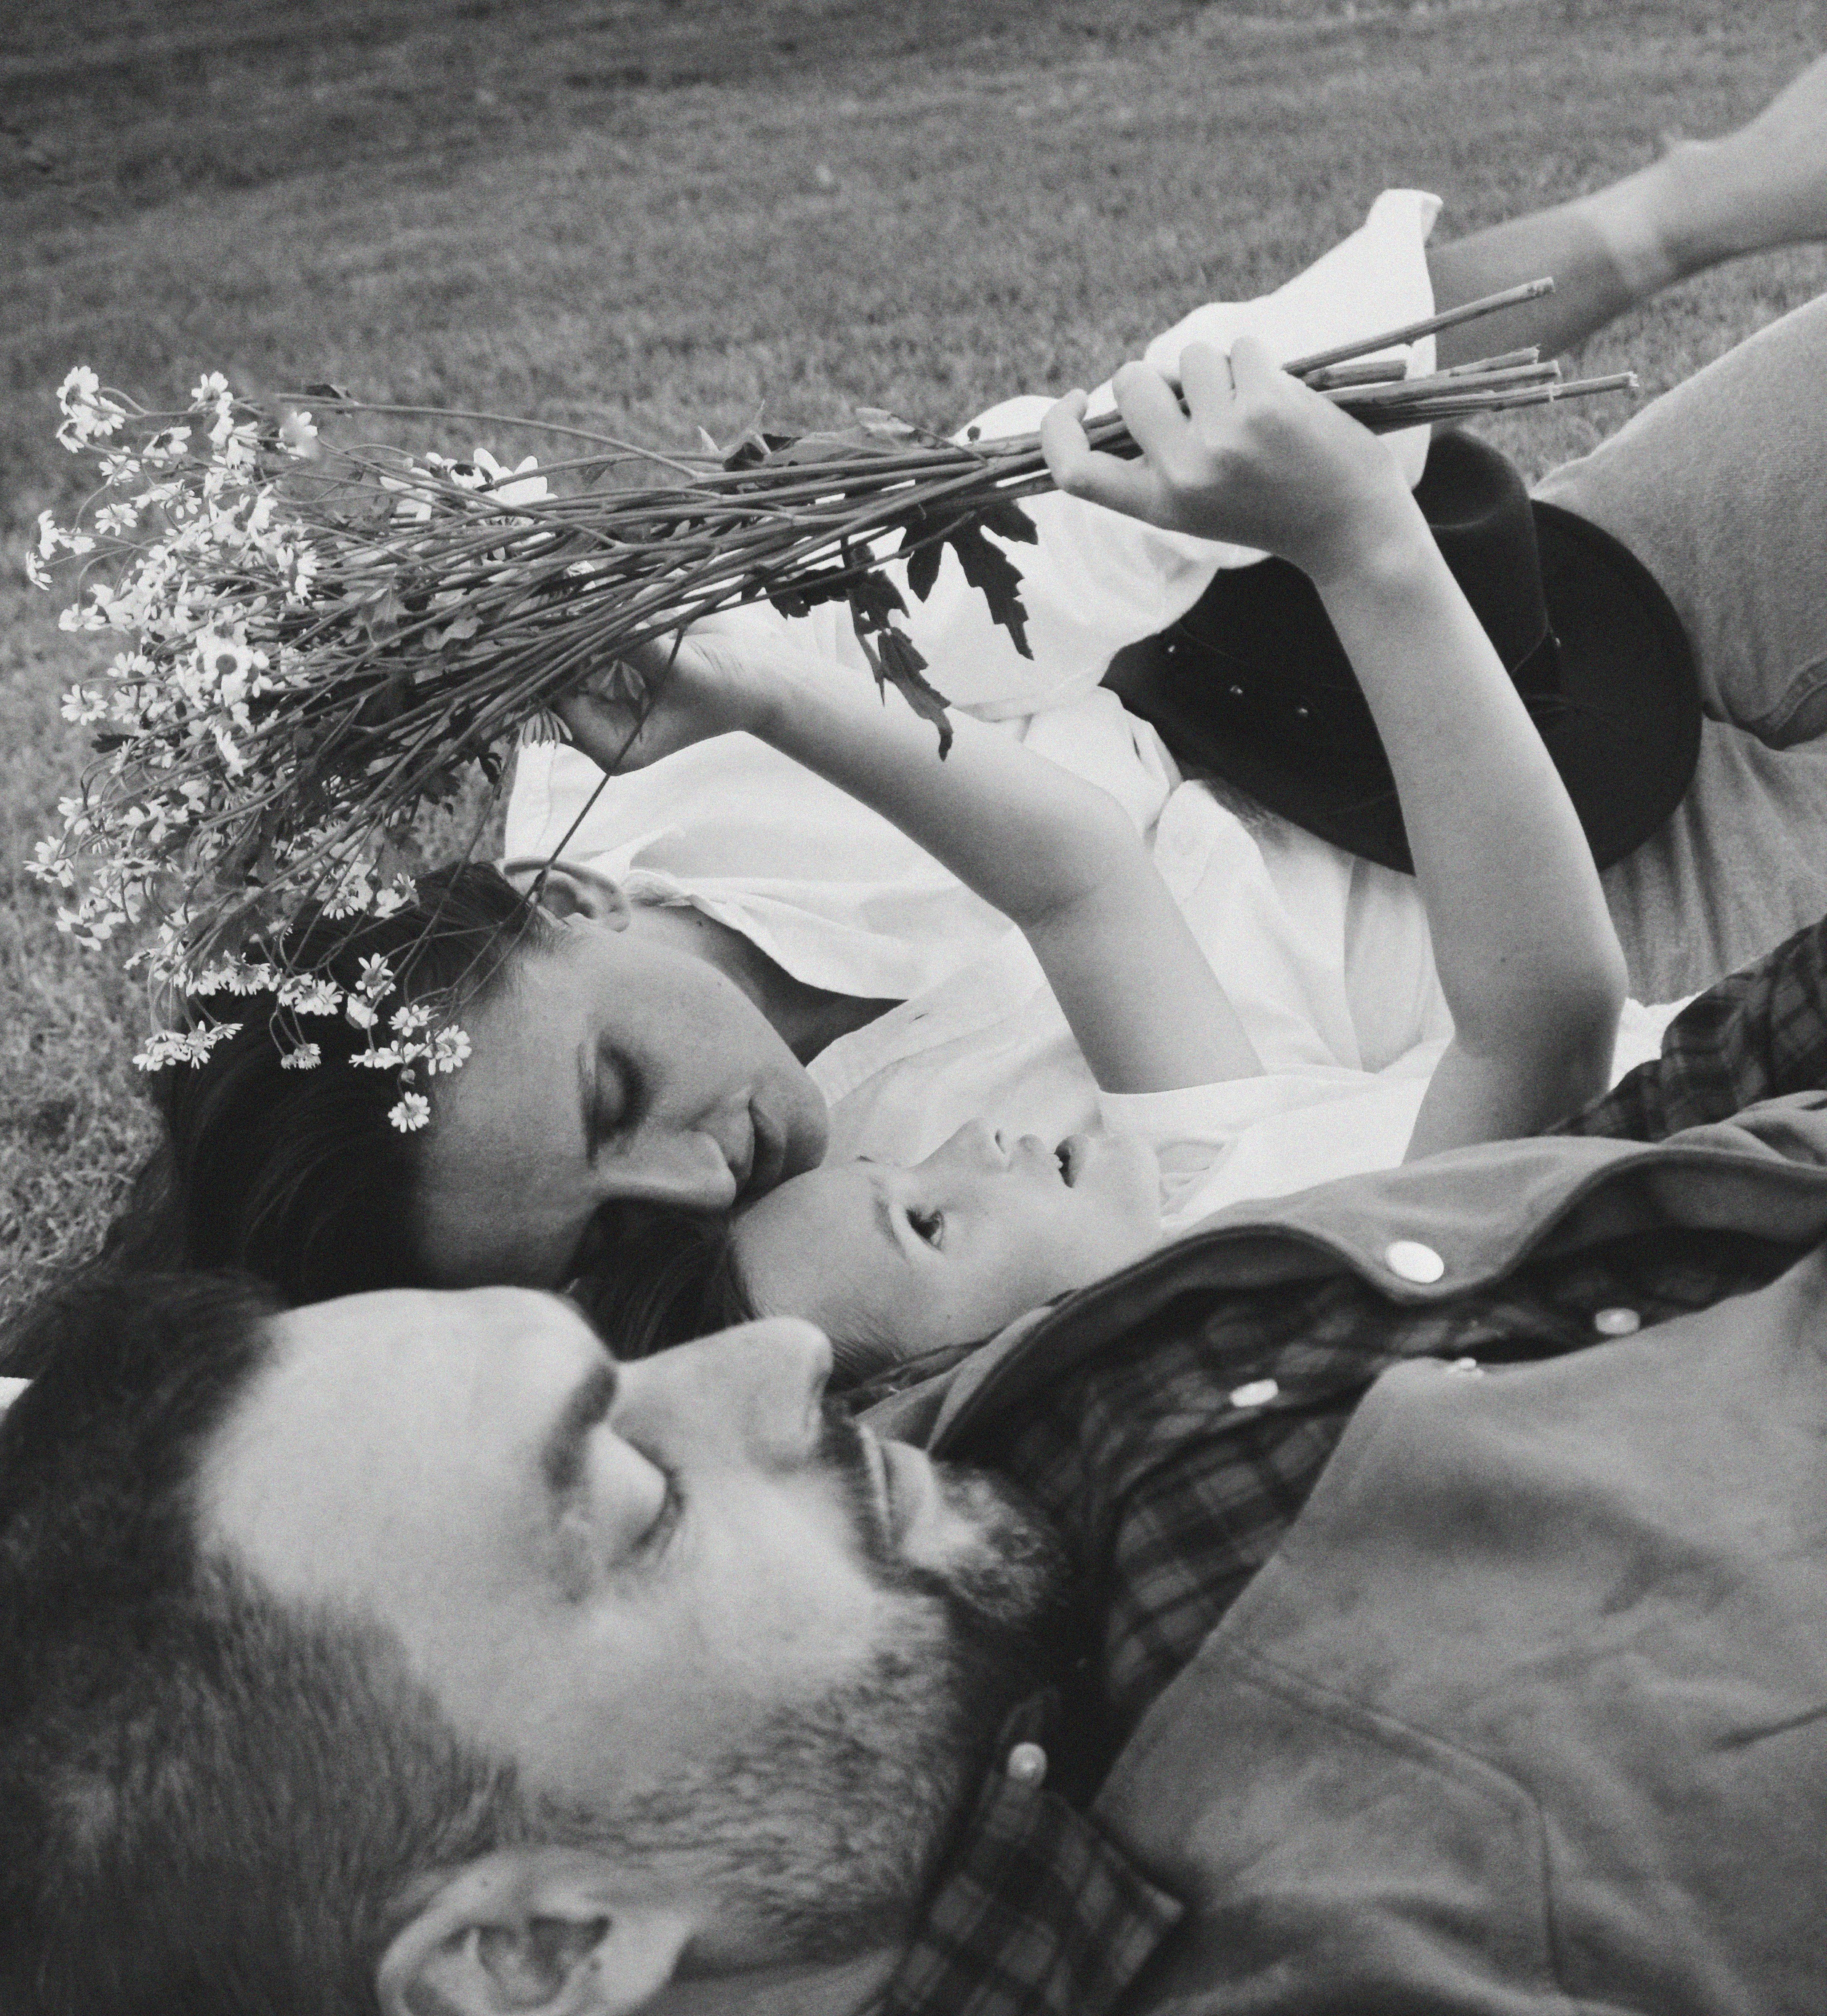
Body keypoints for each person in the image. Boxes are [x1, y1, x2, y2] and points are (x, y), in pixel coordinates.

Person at [0, 894, 1827, 2016]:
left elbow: (1613, 1158)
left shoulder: (947, 1524)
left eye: (623, 1371)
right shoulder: (1391, 1973)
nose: (776, 1366)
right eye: (631, 1495)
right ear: (538, 1948)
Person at [112, 55, 1827, 1308]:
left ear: (555, 901)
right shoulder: (881, 1261)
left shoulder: (674, 723)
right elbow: (1514, 1041)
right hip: (1626, 949)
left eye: (614, 1091)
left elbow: (1118, 487)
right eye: (608, 1237)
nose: (697, 1176)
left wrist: (1669, 217)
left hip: (1522, 637)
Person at [559, 329, 1628, 1373]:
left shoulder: (1183, 1193)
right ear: (963, 1380)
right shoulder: (1283, 1285)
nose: (973, 1146)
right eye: (928, 1223)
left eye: (897, 1168)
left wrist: (763, 693)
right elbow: (1542, 1027)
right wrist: (1360, 542)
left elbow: (1078, 881)